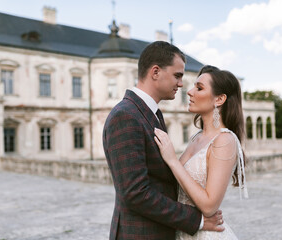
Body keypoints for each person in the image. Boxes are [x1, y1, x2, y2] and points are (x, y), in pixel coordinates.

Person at [103, 42, 224, 240]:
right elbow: (135, 193)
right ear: (156, 72)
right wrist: (198, 220)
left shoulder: (151, 113)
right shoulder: (125, 116)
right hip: (140, 233)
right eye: (177, 75)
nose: (181, 84)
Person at [154, 65, 248, 239]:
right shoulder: (196, 137)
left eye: (199, 88)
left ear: (219, 99)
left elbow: (209, 206)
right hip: (183, 230)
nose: (189, 92)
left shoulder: (225, 140)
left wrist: (172, 160)